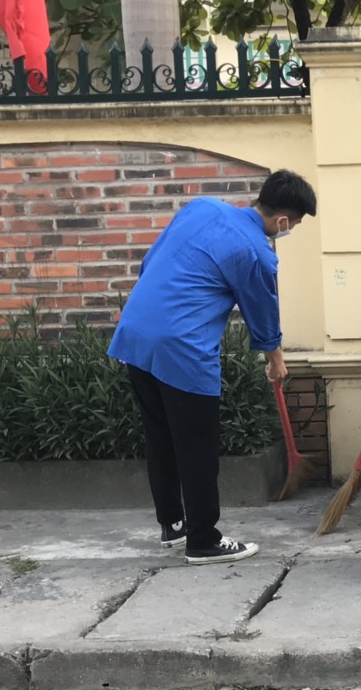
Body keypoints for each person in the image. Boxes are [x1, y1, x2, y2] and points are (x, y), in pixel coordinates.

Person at [108, 169, 317, 566]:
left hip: (135, 332)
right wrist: (275, 360)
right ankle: (203, 539)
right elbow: (262, 313)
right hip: (182, 347)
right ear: (284, 221)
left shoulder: (200, 208)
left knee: (162, 436)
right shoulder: (256, 251)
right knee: (198, 447)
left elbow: (151, 260)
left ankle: (173, 524)